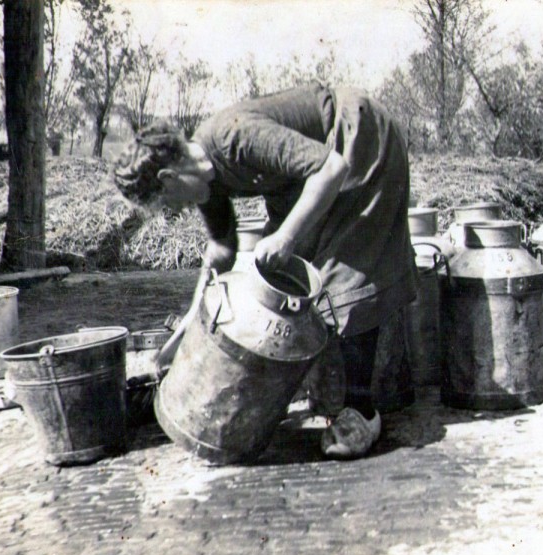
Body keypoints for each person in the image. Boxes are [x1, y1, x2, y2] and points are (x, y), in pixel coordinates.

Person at [114, 81, 418, 459]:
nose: (174, 213)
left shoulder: (234, 138)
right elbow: (222, 250)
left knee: (346, 271)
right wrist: (190, 326)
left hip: (357, 138)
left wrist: (287, 236)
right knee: (290, 278)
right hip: (315, 169)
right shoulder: (205, 178)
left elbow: (331, 167)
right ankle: (317, 388)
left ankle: (363, 410)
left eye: (167, 205)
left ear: (169, 179)